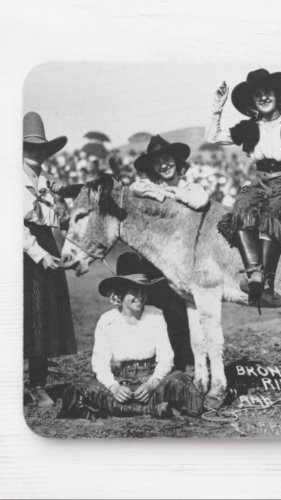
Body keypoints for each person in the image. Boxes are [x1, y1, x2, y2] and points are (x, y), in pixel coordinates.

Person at [206, 68, 281, 301]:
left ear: (279, 97)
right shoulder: (248, 127)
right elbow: (212, 137)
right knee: (242, 206)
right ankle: (254, 273)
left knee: (274, 212)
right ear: (252, 102)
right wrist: (217, 106)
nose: (264, 97)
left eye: (268, 92)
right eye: (258, 95)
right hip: (257, 181)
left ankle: (267, 279)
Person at [59, 253, 203, 419]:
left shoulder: (156, 315)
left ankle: (117, 408)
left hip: (150, 385)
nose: (140, 296)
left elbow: (166, 358)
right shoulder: (107, 321)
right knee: (77, 389)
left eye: (143, 290)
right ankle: (152, 408)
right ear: (119, 294)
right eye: (133, 291)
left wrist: (151, 384)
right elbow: (100, 364)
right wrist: (114, 387)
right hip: (120, 385)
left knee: (180, 379)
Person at [130, 135, 210, 371]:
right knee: (163, 314)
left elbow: (200, 200)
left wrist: (173, 194)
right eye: (158, 162)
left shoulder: (190, 187)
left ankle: (191, 364)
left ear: (176, 161)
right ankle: (167, 365)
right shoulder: (148, 188)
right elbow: (135, 186)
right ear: (152, 168)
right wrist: (165, 194)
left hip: (187, 260)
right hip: (158, 263)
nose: (164, 165)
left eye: (168, 159)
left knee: (190, 314)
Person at [23, 112, 77, 407]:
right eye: (28, 147)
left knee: (40, 318)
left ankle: (37, 384)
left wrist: (60, 197)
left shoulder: (47, 182)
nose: (35, 152)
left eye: (40, 148)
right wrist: (40, 254)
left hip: (44, 241)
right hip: (22, 248)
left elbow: (57, 221)